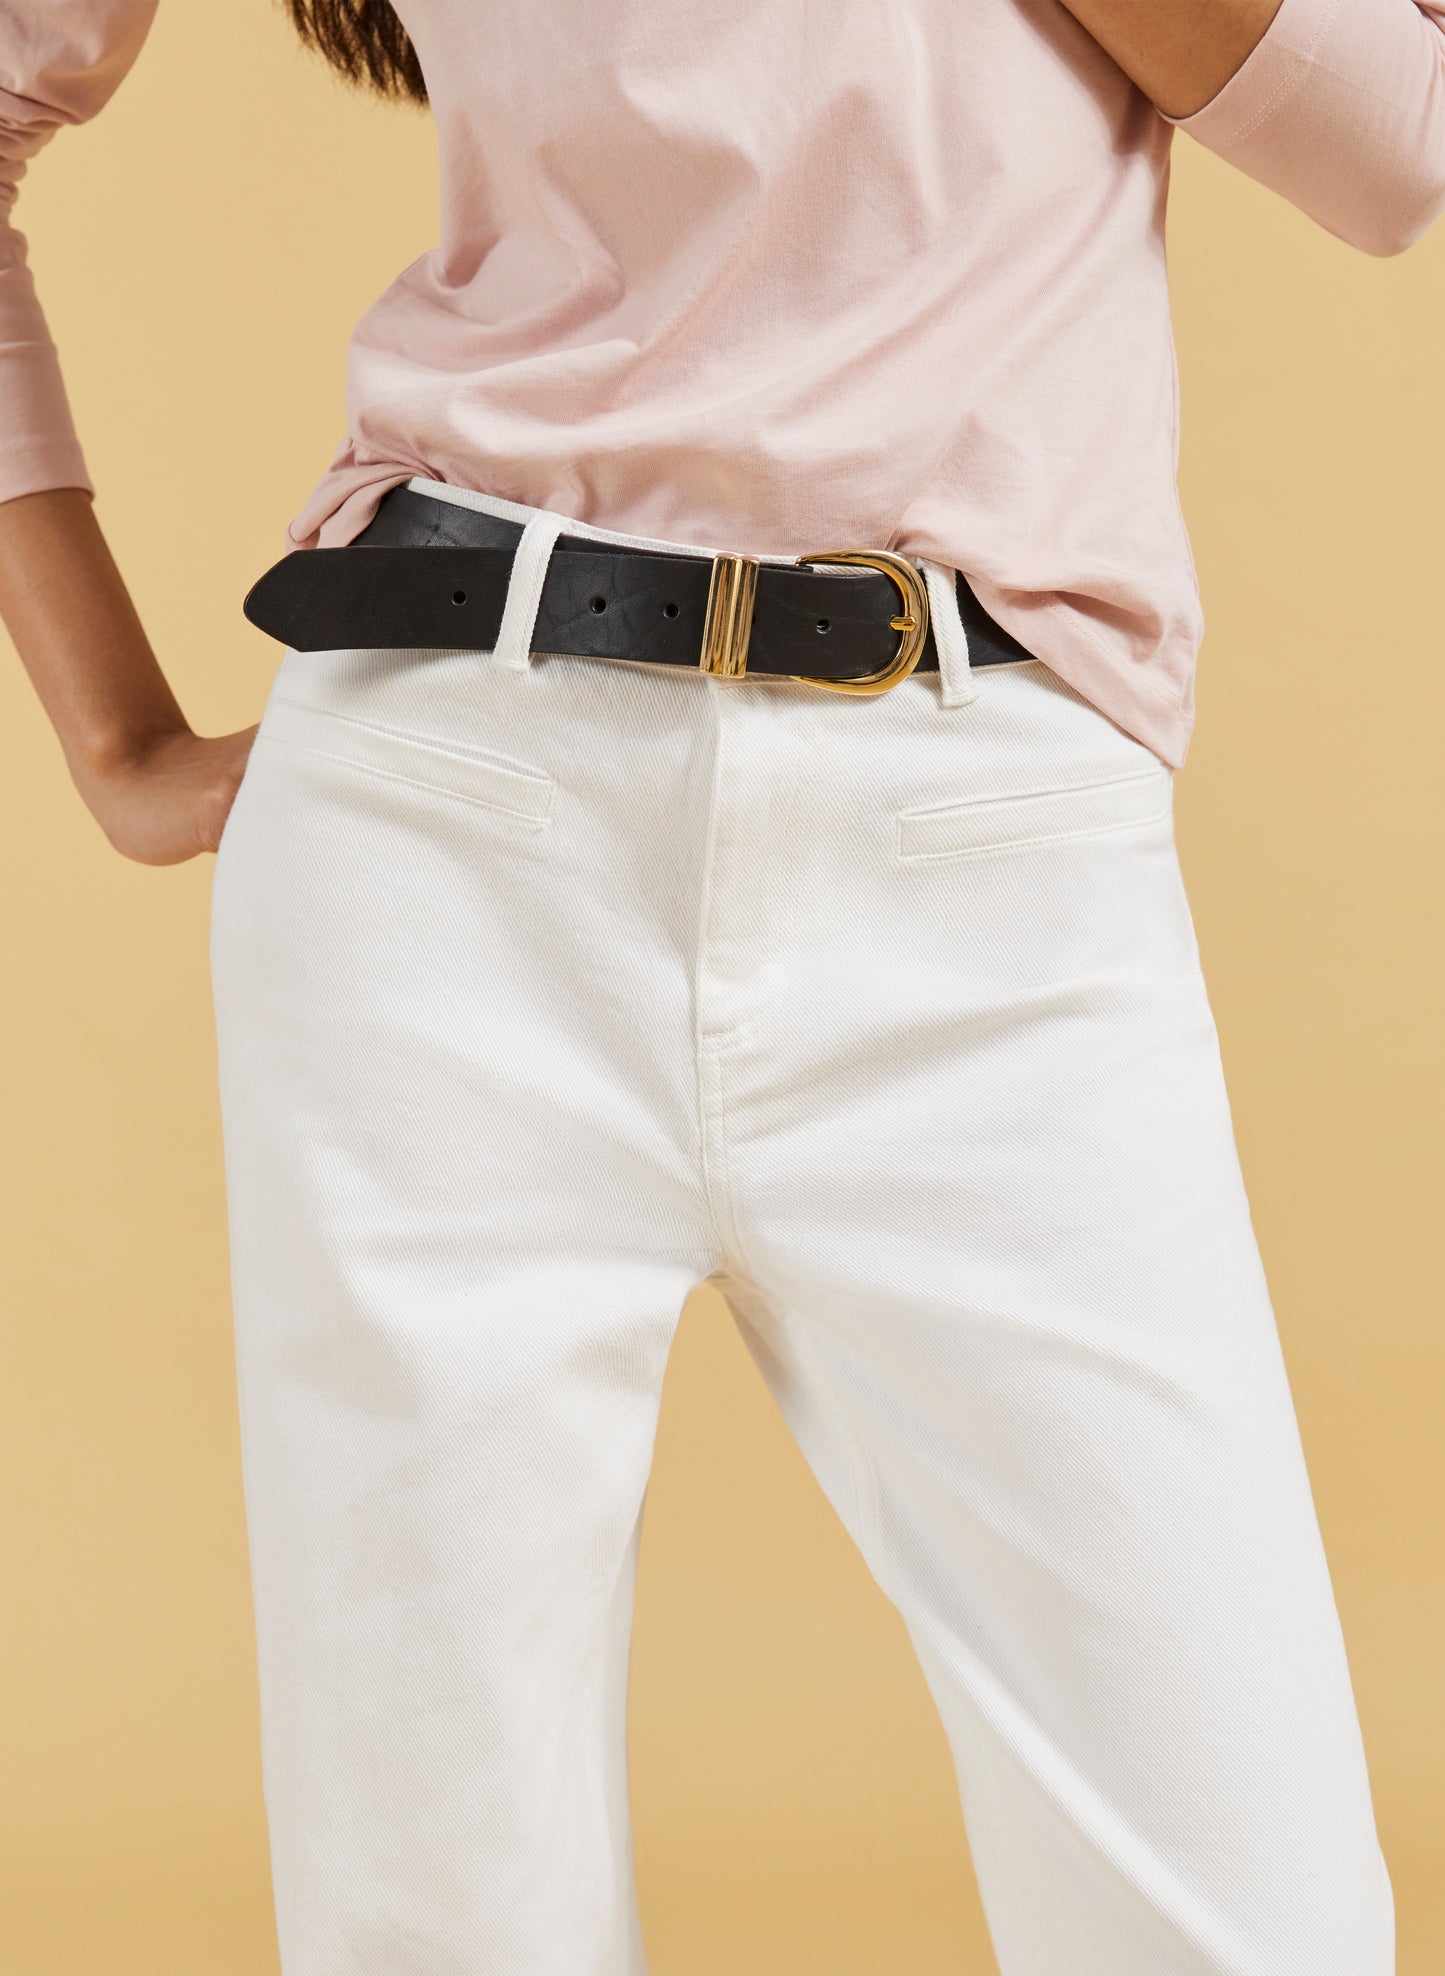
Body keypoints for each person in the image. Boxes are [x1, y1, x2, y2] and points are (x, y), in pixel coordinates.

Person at [3, 3, 1440, 1971]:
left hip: (986, 848)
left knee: (1245, 1917)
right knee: (439, 1915)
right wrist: (109, 730)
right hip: (454, 827)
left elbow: (1391, 147)